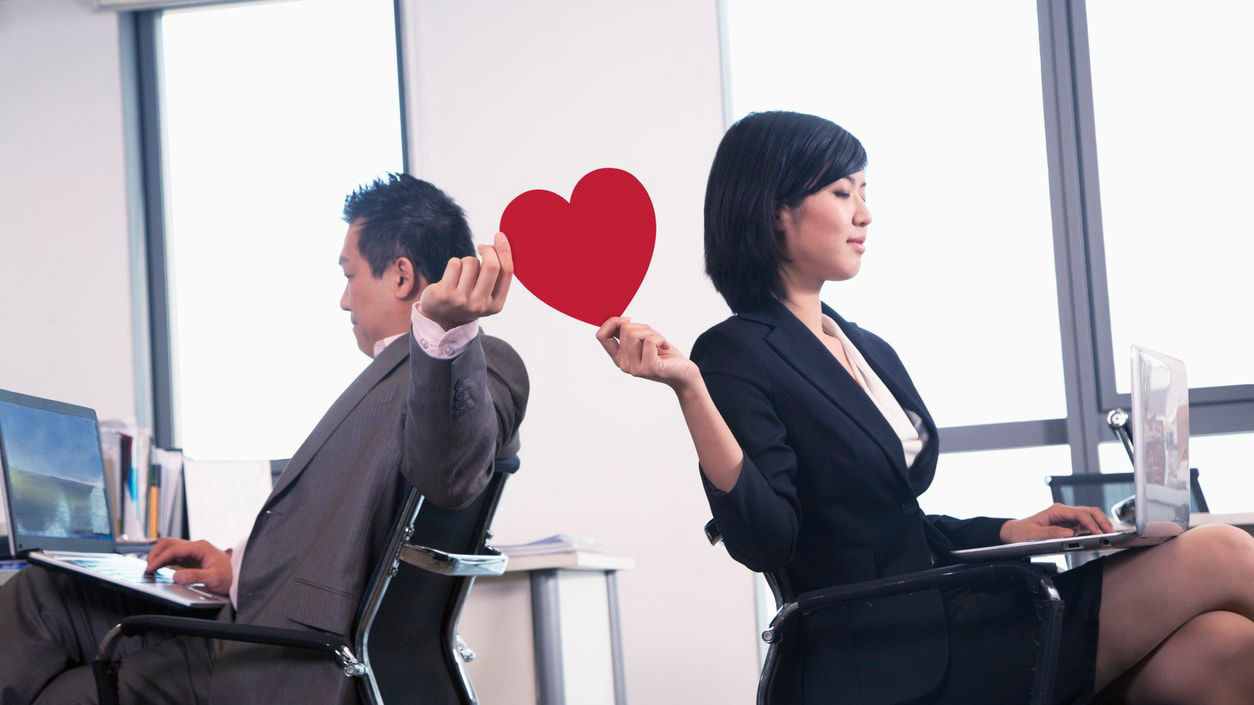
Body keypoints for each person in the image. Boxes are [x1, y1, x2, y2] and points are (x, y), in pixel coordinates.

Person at [597, 111, 1254, 705]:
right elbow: (770, 536)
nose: (864, 213)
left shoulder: (860, 344)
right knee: (1220, 551)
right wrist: (689, 388)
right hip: (884, 655)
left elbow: (886, 522)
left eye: (864, 191)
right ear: (776, 211)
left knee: (1223, 648)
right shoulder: (736, 351)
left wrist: (1005, 531)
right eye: (841, 192)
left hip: (948, 614)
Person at [0, 173, 529, 705]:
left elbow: (450, 475)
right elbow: (339, 535)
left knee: (65, 673)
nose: (344, 300)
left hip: (279, 664)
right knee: (47, 591)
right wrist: (236, 568)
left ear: (400, 276)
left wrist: (450, 337)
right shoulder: (391, 375)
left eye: (349, 275)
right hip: (256, 623)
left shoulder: (474, 364)